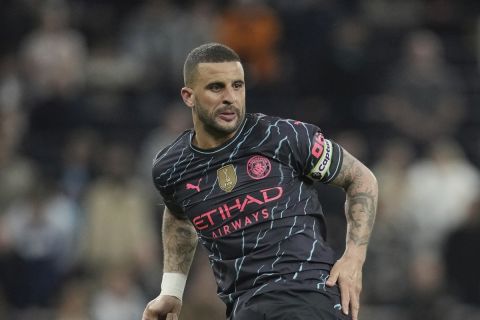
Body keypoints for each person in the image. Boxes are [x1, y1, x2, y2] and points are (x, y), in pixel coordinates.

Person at [142, 43, 378, 320]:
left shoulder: (282, 136)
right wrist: (171, 290)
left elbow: (361, 178)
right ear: (188, 96)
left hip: (307, 292)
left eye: (238, 86)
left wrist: (354, 258)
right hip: (243, 306)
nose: (230, 97)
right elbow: (179, 216)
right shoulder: (171, 168)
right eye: (216, 87)